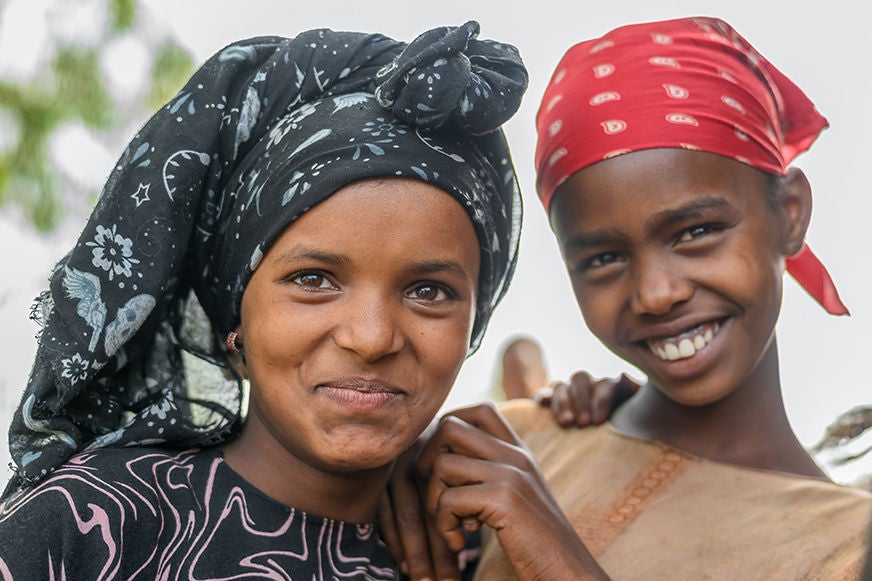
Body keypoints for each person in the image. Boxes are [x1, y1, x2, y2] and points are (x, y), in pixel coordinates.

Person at [0, 21, 527, 578]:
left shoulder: (480, 554)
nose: (372, 338)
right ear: (235, 315)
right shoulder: (92, 525)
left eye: (428, 291)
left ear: (474, 323)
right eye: (314, 279)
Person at [385, 16, 872, 580]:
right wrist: (396, 452)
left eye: (696, 232)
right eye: (603, 258)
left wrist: (552, 550)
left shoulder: (848, 547)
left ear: (790, 213)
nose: (656, 294)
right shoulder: (512, 446)